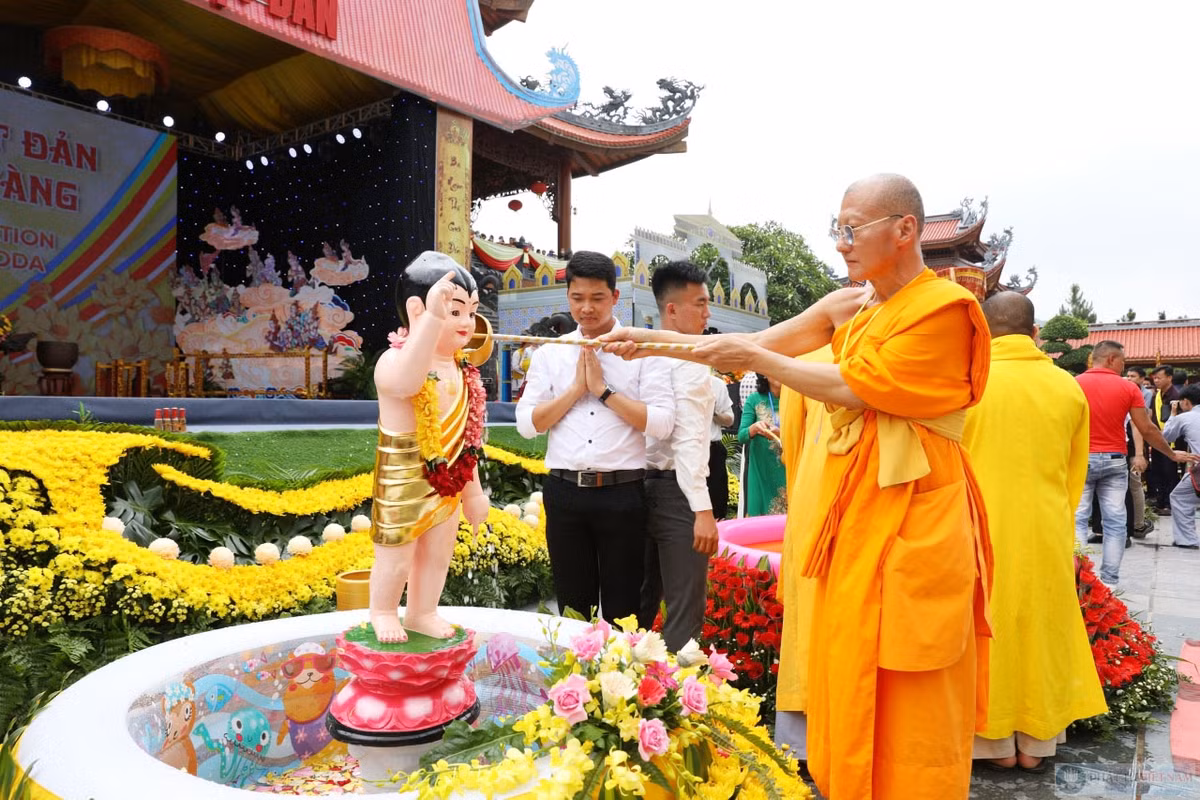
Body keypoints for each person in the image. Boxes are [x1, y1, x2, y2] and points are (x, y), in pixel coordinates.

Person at [603, 173, 995, 799]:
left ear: (904, 230)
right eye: (836, 228)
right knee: (844, 660)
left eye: (851, 227)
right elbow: (752, 343)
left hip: (914, 510)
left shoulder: (944, 312)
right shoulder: (853, 305)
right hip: (852, 513)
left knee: (913, 678)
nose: (841, 243)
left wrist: (753, 359)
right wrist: (649, 342)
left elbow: (851, 386)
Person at [963, 292, 1107, 772]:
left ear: (986, 330)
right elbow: (1074, 472)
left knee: (991, 626)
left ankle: (994, 744)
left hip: (978, 527)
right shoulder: (1067, 387)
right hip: (1045, 525)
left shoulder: (969, 380)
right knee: (1040, 628)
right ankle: (1036, 744)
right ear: (1034, 333)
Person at [515, 251, 674, 624]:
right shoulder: (551, 354)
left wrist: (603, 391)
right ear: (567, 296)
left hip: (623, 495)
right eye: (577, 298)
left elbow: (662, 423)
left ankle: (622, 682)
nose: (587, 308)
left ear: (615, 297)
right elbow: (527, 424)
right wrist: (575, 390)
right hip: (565, 494)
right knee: (572, 610)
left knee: (625, 612)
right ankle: (575, 683)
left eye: (597, 298)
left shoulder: (643, 352)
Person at [369, 252, 490, 642]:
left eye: (470, 312)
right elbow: (407, 383)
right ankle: (384, 610)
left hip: (448, 482)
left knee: (437, 554)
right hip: (404, 477)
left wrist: (473, 492)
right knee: (398, 555)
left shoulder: (462, 370)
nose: (466, 323)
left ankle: (422, 611)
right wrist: (433, 321)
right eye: (454, 311)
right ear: (416, 309)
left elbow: (467, 441)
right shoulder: (393, 360)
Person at [638, 260, 718, 651]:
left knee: (636, 608)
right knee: (684, 616)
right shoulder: (687, 358)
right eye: (700, 303)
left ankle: (623, 698)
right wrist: (702, 508)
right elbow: (688, 440)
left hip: (636, 485)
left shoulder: (643, 352)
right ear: (672, 309)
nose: (708, 313)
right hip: (677, 493)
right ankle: (677, 701)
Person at [1074, 343, 1196, 584]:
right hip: (1114, 460)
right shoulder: (1127, 388)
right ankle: (1109, 581)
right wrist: (1171, 454)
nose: (1124, 367)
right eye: (1122, 362)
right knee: (1115, 521)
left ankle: (1078, 578)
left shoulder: (1072, 383)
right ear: (1111, 359)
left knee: (1078, 519)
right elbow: (1147, 428)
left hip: (1080, 459)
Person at [773, 344, 835, 764]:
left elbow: (791, 448)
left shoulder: (807, 363)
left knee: (810, 625)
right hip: (882, 509)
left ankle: (806, 744)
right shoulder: (900, 352)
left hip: (816, 502)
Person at [737, 374, 787, 516]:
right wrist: (752, 429)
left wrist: (781, 434)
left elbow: (806, 433)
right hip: (762, 469)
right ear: (764, 373)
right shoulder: (754, 399)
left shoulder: (796, 400)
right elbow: (741, 436)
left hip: (789, 466)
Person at [1163, 385, 1200, 548]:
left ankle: (1187, 539)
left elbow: (1167, 436)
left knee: (1180, 497)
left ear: (1185, 402)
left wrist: (1173, 414)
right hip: (1196, 468)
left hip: (1198, 468)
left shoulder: (1186, 417)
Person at [1148, 365, 1182, 512]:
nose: (1156, 381)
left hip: (1172, 441)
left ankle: (1169, 504)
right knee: (1158, 471)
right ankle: (1160, 501)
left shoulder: (1176, 396)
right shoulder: (1157, 395)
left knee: (1170, 472)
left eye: (1159, 378)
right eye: (1154, 378)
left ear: (1169, 377)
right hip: (1157, 439)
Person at [707, 373, 735, 520]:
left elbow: (729, 420)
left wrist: (712, 411)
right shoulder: (672, 379)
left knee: (716, 506)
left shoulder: (716, 384)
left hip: (712, 451)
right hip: (681, 452)